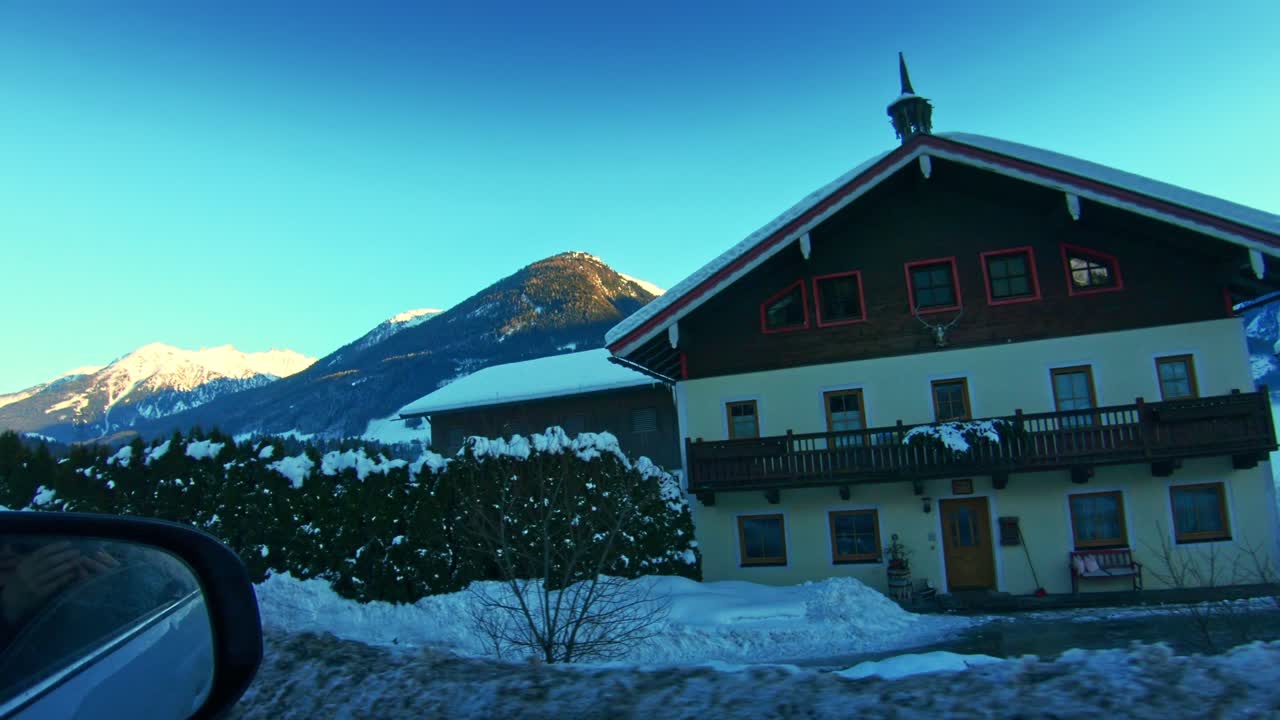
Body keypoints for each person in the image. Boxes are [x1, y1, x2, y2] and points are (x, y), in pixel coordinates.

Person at [0, 539, 118, 650]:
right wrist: (9, 607)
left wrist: (86, 605)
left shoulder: (76, 589)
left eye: (22, 544)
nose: (6, 551)